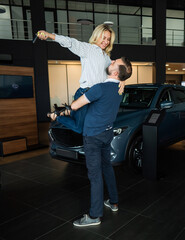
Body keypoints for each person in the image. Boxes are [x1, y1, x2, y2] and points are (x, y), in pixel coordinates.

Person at [48, 57, 132, 227]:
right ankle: (114, 202)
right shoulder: (119, 89)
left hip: (93, 136)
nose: (113, 60)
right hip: (107, 134)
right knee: (107, 168)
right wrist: (122, 80)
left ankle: (94, 216)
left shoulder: (100, 88)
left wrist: (63, 113)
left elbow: (76, 105)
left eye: (115, 61)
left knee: (95, 176)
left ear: (115, 72)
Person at [37, 24, 125, 133]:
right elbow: (70, 42)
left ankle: (66, 112)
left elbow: (116, 71)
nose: (106, 41)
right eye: (104, 38)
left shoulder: (106, 57)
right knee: (79, 128)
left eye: (108, 39)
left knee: (90, 125)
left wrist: (122, 80)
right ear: (97, 36)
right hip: (85, 92)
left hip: (96, 96)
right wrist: (50, 35)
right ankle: (57, 116)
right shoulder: (88, 49)